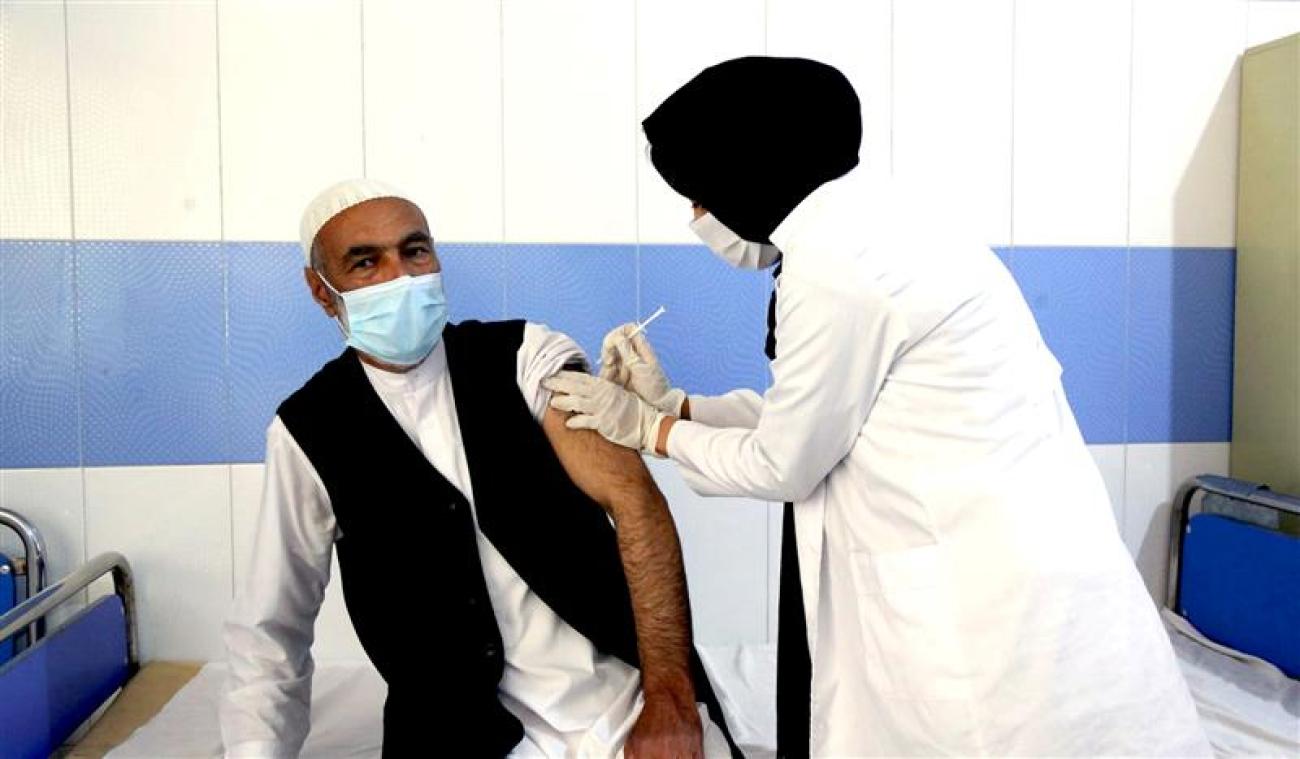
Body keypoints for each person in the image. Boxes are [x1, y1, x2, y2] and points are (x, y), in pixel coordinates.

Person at [544, 56, 1212, 757]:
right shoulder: (879, 227)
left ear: (749, 169)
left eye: (702, 195)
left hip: (982, 597)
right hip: (1015, 558)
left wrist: (650, 429)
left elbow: (785, 462)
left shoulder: (838, 268)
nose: (697, 217)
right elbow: (829, 417)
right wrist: (681, 405)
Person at [219, 179, 738, 758]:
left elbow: (633, 500)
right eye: (366, 262)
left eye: (415, 251)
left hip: (618, 706)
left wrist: (668, 696)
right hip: (453, 733)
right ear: (322, 291)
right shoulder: (308, 431)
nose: (401, 276)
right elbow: (270, 629)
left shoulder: (523, 357)